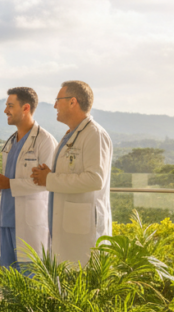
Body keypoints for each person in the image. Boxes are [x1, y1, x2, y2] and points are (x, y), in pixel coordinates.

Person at [30, 81, 113, 266]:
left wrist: (50, 179)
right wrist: (50, 175)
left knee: (82, 288)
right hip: (66, 230)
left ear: (72, 102)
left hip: (83, 235)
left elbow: (95, 179)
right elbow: (72, 171)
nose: (54, 106)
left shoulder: (94, 134)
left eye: (58, 100)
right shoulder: (71, 135)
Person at [0, 87, 57, 271]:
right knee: (10, 287)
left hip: (31, 225)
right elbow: (11, 178)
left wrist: (9, 183)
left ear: (26, 108)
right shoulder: (12, 141)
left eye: (10, 106)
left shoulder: (44, 140)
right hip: (7, 221)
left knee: (30, 286)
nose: (5, 111)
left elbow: (48, 182)